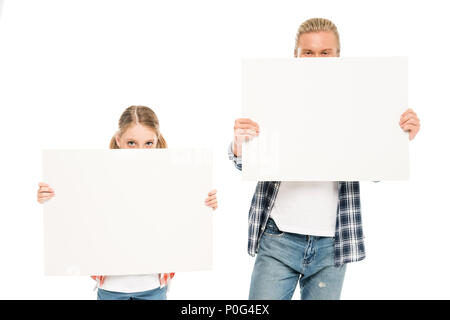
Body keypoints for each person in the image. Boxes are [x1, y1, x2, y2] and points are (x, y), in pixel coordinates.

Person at [229, 18, 420, 300]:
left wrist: (397, 139)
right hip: (278, 237)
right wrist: (239, 146)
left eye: (324, 53)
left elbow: (377, 169)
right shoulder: (273, 96)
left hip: (333, 244)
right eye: (308, 53)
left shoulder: (357, 104)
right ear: (296, 56)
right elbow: (246, 164)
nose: (316, 60)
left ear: (337, 57)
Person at [37, 105, 218, 300]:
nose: (140, 151)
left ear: (157, 142)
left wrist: (204, 204)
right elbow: (79, 212)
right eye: (132, 142)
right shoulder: (97, 177)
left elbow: (181, 219)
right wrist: (53, 198)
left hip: (154, 287)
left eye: (148, 143)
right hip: (111, 288)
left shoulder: (170, 180)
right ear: (118, 140)